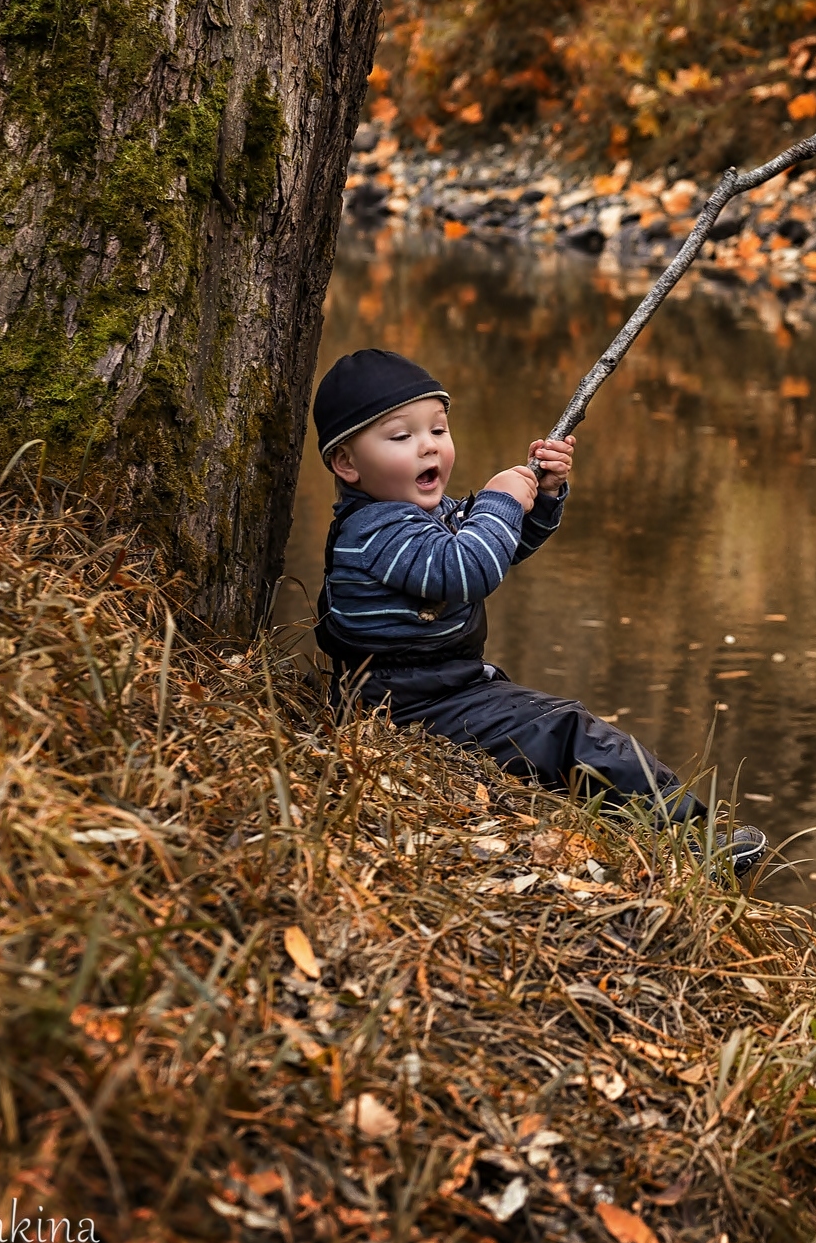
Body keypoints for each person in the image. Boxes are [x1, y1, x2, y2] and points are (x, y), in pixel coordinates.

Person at [311, 348, 764, 874]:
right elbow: (468, 569)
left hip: (438, 688)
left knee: (553, 739)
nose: (428, 447)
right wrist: (500, 500)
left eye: (438, 430)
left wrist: (540, 497)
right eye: (401, 436)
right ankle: (693, 840)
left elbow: (497, 549)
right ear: (347, 463)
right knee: (566, 731)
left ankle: (654, 839)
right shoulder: (377, 531)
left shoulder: (416, 516)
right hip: (408, 703)